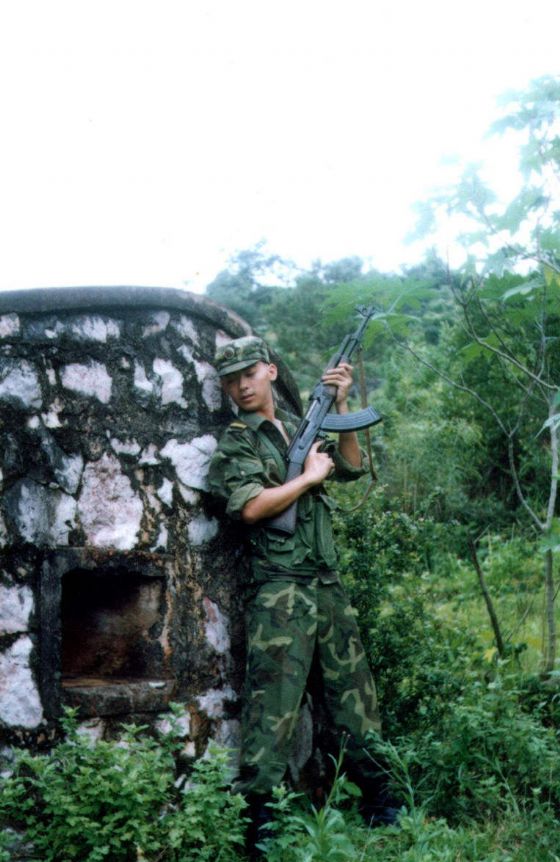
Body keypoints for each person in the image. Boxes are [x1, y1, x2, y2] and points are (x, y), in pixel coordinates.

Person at [207, 336, 398, 856]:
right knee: (273, 704)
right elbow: (250, 507)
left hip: (325, 581)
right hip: (280, 586)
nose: (241, 386)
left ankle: (382, 802)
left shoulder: (301, 422)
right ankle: (261, 822)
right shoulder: (237, 442)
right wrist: (308, 478)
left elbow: (351, 467)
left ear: (270, 371)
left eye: (249, 373)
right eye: (230, 380)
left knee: (355, 696)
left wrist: (342, 406)